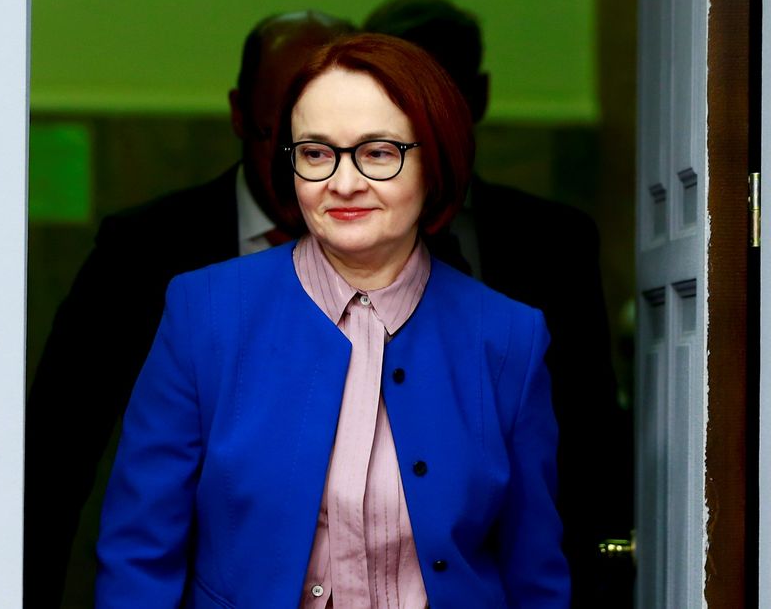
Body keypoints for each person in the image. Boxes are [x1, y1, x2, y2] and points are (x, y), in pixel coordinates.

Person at [96, 34, 571, 608]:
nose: (343, 184)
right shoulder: (206, 314)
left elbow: (534, 574)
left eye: (377, 152)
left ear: (435, 160)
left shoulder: (507, 339)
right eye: (317, 153)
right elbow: (138, 554)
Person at [23, 10, 353, 607]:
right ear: (237, 113)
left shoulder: (410, 256)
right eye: (275, 134)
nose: (298, 162)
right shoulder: (145, 253)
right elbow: (58, 448)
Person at [364, 0, 631, 605]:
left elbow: (586, 412)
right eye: (402, 94)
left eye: (442, 92)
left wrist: (598, 566)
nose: (422, 117)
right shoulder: (328, 233)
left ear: (477, 96)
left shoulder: (554, 240)